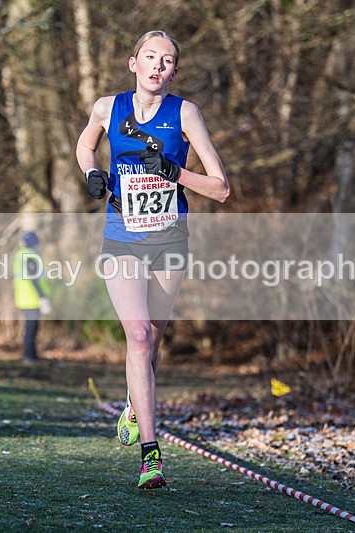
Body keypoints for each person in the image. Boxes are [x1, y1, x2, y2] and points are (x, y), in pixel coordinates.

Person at [75, 30, 230, 489]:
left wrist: (176, 172)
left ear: (174, 71)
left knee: (152, 343)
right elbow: (85, 145)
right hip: (121, 238)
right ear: (133, 63)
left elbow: (220, 187)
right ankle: (151, 454)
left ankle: (132, 401)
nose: (157, 65)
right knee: (138, 336)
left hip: (169, 241)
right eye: (150, 57)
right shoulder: (107, 107)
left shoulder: (186, 113)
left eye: (167, 60)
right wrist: (92, 174)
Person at [13, 230, 51, 361]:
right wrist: (42, 297)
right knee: (31, 329)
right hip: (31, 298)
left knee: (30, 328)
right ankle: (29, 356)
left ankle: (32, 355)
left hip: (24, 298)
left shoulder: (21, 254)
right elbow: (34, 278)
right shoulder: (30, 256)